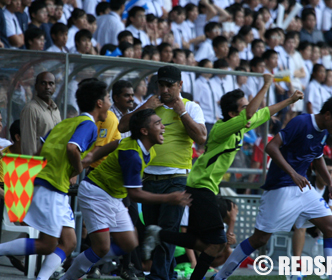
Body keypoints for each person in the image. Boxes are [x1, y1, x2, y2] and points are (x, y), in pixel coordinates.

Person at [142, 73, 304, 280]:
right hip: (199, 186)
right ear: (231, 113)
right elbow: (253, 113)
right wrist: (266, 85)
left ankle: (159, 235)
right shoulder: (221, 129)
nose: (249, 111)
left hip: (206, 187)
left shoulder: (240, 126)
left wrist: (290, 100)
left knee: (203, 242)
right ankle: (164, 239)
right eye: (244, 107)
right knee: (217, 241)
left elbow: (263, 113)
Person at [205, 96, 332, 280]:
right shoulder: (301, 122)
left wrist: (330, 183)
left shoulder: (324, 131)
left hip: (303, 187)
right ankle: (220, 277)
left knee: (331, 227)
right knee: (259, 239)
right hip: (280, 187)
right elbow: (271, 147)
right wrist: (292, 173)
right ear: (328, 115)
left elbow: (317, 156)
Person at [59, 109, 192, 280]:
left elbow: (115, 144)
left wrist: (87, 160)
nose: (163, 127)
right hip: (96, 193)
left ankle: (84, 261)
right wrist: (169, 198)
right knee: (101, 248)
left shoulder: (140, 147)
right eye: (158, 124)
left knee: (130, 244)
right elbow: (135, 195)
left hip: (113, 196)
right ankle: (69, 275)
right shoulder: (132, 156)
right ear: (144, 131)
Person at [0, 79, 111, 280]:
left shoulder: (66, 122)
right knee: (47, 244)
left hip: (50, 185)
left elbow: (38, 152)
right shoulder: (88, 125)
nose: (110, 103)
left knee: (69, 242)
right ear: (99, 103)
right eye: (108, 98)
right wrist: (77, 170)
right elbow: (72, 148)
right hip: (50, 187)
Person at [118, 65, 206, 280]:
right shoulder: (150, 104)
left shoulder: (191, 107)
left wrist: (181, 112)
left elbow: (202, 137)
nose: (165, 89)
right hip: (148, 178)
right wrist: (145, 107)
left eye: (170, 85)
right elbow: (122, 126)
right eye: (161, 85)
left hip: (177, 178)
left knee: (166, 231)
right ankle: (169, 275)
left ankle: (157, 277)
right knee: (153, 232)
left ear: (180, 85)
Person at [20, 72, 61, 156]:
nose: (47, 87)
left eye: (51, 84)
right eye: (43, 83)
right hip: (38, 165)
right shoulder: (31, 109)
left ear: (55, 87)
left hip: (53, 164)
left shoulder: (55, 109)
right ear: (36, 87)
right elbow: (28, 144)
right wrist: (32, 166)